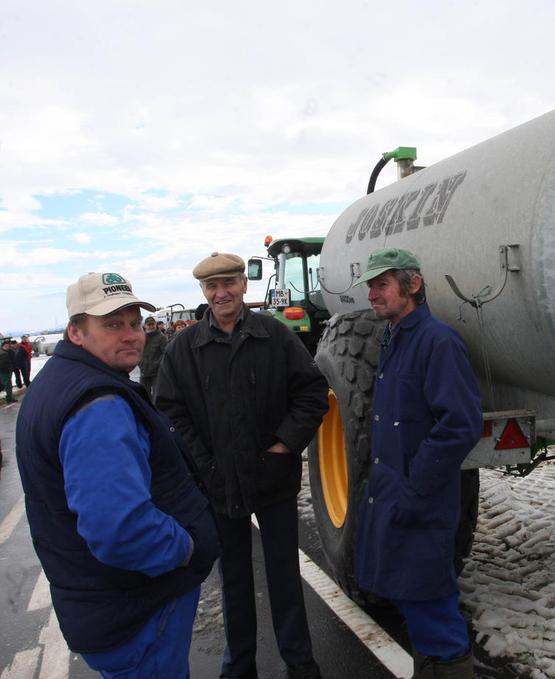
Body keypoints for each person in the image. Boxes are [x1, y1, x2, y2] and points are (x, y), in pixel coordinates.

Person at [15, 272, 220, 678]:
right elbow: (120, 527)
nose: (130, 335)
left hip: (105, 605)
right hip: (139, 611)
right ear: (76, 332)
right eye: (111, 325)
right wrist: (186, 548)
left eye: (134, 323)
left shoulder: (57, 381)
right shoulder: (98, 403)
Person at [156, 252, 329, 679]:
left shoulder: (274, 335)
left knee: (284, 575)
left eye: (229, 283)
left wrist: (284, 447)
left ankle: (299, 660)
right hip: (218, 484)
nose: (222, 293)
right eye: (212, 286)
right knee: (232, 581)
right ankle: (239, 664)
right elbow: (170, 412)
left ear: (243, 286)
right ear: (203, 292)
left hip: (274, 480)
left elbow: (312, 393)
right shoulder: (184, 348)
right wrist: (203, 464)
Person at [353, 248, 482, 679]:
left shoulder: (437, 341)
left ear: (412, 285)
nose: (372, 294)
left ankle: (449, 667)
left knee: (430, 598)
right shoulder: (393, 337)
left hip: (419, 496)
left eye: (382, 284)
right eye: (370, 285)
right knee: (407, 589)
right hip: (393, 490)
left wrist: (415, 483)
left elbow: (460, 424)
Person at [139, 316, 168, 399]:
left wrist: (157, 364)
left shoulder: (162, 337)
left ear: (155, 325)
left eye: (152, 324)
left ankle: (156, 410)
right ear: (145, 326)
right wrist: (140, 363)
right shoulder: (142, 337)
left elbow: (165, 353)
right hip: (144, 370)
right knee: (143, 395)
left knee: (157, 395)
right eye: (149, 325)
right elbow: (137, 350)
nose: (151, 326)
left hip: (156, 372)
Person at [0, 339, 15, 403]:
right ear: (2, 346)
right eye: (5, 346)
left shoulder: (6, 352)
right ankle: (9, 399)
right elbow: (3, 364)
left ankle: (9, 398)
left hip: (6, 371)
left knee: (4, 385)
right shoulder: (3, 353)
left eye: (8, 346)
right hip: (4, 372)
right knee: (8, 385)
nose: (7, 347)